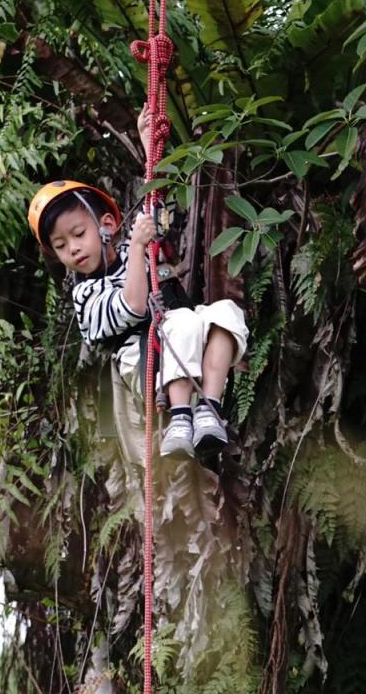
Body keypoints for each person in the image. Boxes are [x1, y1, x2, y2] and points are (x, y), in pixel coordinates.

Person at [26, 109, 248, 467]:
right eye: (61, 245)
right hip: (144, 365)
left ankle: (209, 408)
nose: (74, 249)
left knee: (226, 312)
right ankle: (180, 417)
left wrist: (150, 151)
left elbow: (158, 211)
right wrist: (139, 250)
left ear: (108, 224)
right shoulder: (85, 296)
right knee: (182, 321)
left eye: (79, 234)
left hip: (183, 352)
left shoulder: (133, 247)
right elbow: (133, 306)